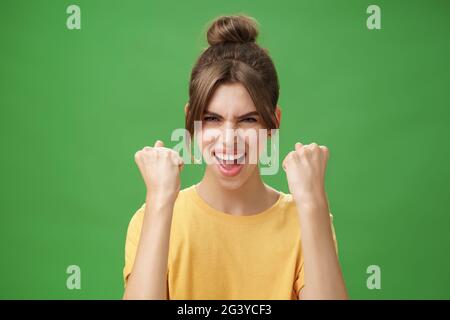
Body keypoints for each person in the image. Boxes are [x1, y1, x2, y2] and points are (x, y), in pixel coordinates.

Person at [123, 14, 348, 300]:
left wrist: (314, 201)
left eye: (249, 120)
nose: (229, 139)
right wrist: (158, 200)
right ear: (190, 120)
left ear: (273, 124)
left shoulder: (308, 219)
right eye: (212, 118)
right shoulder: (152, 218)